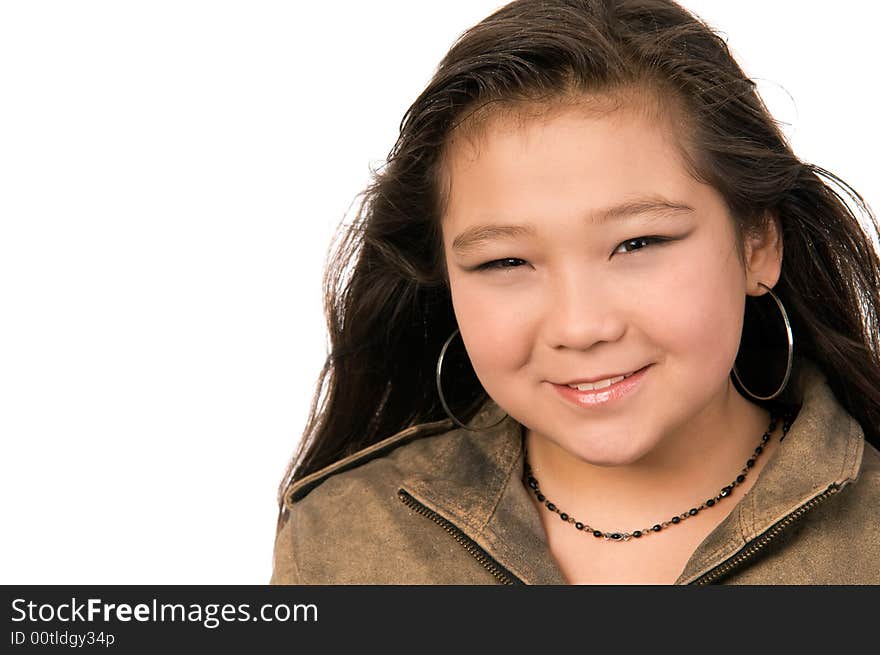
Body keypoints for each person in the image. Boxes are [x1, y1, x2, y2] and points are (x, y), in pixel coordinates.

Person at [270, 0, 880, 584]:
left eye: (637, 244)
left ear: (757, 245)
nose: (580, 326)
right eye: (505, 260)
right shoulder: (339, 538)